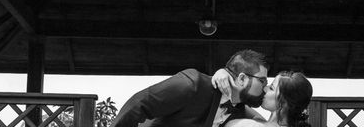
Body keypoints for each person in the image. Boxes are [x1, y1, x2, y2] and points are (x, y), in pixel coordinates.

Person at [110, 50, 268, 127]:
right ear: (241, 78)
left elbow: (264, 123)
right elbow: (139, 104)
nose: (265, 88)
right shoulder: (193, 84)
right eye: (262, 81)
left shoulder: (239, 110)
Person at [211, 70, 313, 127]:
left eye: (271, 88)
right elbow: (238, 99)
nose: (265, 88)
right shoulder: (260, 121)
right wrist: (225, 73)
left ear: (285, 102)